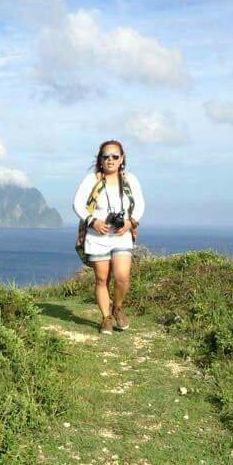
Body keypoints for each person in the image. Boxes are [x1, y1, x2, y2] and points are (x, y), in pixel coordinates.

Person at [73, 140, 145, 334]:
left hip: (122, 235)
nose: (110, 160)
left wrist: (130, 222)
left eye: (115, 156)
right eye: (106, 156)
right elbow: (78, 204)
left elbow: (139, 205)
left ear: (122, 159)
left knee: (122, 277)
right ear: (100, 160)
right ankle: (106, 317)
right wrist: (92, 221)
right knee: (101, 279)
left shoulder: (129, 180)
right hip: (97, 236)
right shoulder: (92, 180)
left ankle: (118, 307)